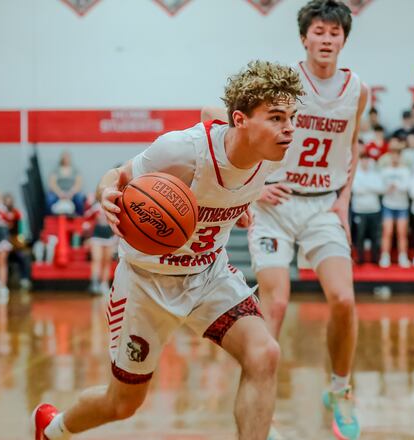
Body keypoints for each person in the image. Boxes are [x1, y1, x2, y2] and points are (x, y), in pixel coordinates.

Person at [32, 60, 304, 440]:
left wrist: (240, 205)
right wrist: (106, 192)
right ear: (240, 120)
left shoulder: (275, 152)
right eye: (276, 117)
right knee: (122, 404)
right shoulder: (181, 151)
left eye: (292, 117)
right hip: (147, 282)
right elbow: (117, 175)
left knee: (264, 353)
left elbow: (215, 121)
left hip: (208, 275)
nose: (289, 128)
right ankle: (53, 428)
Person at [228, 2, 367, 437]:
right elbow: (231, 128)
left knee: (343, 299)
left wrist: (344, 200)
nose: (326, 39)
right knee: (276, 304)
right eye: (318, 31)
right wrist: (253, 189)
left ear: (344, 39)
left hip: (323, 204)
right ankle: (261, 408)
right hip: (275, 204)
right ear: (304, 37)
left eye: (334, 32)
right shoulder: (283, 83)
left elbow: (352, 145)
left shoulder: (357, 89)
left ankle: (340, 391)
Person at [82, 195, 116, 295]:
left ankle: (104, 284)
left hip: (109, 236)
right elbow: (86, 219)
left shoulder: (113, 207)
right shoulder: (96, 207)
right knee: (96, 259)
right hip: (96, 237)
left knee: (107, 261)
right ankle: (94, 283)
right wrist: (87, 237)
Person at [47, 151, 86, 216]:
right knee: (50, 199)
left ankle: (79, 217)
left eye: (67, 158)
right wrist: (60, 193)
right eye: (64, 158)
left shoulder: (75, 170)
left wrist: (71, 193)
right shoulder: (56, 170)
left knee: (79, 198)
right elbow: (52, 183)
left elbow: (78, 184)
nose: (66, 159)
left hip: (72, 193)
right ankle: (50, 218)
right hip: (58, 193)